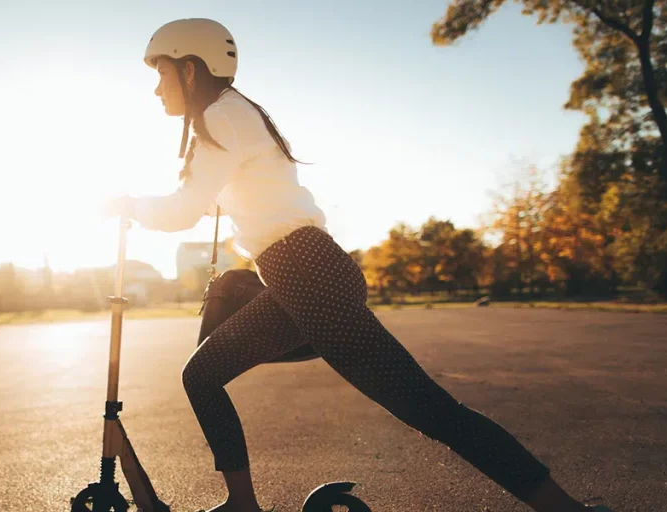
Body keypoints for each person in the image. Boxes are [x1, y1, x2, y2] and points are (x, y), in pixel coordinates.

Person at [104, 18, 613, 512]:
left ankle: (564, 507)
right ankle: (241, 503)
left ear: (190, 69)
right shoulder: (230, 116)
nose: (156, 89)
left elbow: (182, 209)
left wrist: (128, 206)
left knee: (429, 410)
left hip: (308, 274)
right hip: (295, 277)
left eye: (161, 73)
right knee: (203, 374)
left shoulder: (221, 117)